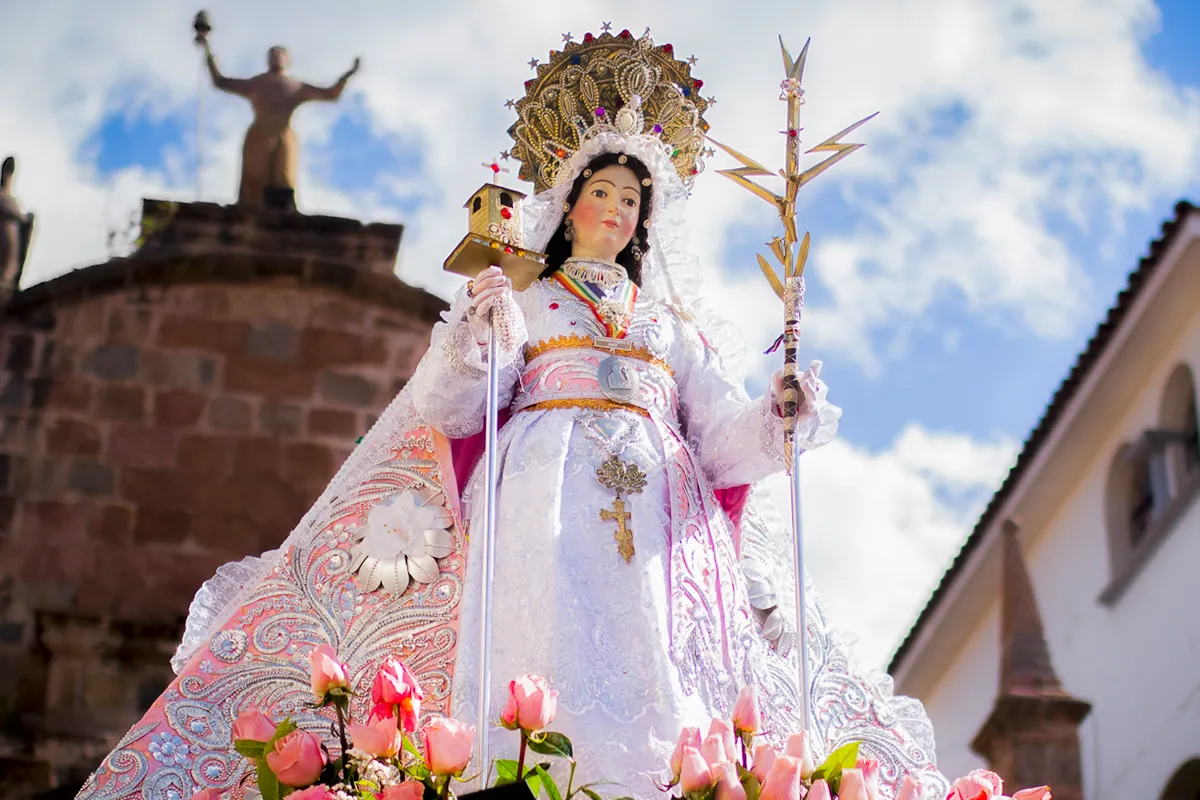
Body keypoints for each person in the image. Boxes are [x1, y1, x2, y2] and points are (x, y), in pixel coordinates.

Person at [77, 29, 949, 800]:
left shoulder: (668, 326)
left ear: (645, 221)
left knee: (659, 648)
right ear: (568, 203)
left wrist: (782, 412)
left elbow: (723, 439)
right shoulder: (525, 302)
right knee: (547, 631)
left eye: (631, 200)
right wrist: (476, 328)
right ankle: (527, 765)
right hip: (540, 493)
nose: (615, 209)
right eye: (602, 192)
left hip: (661, 508)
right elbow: (452, 405)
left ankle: (673, 774)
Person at [202, 41, 360, 208]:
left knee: (283, 180)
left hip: (284, 134)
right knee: (253, 181)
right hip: (259, 136)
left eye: (280, 55)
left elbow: (331, 94)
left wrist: (347, 75)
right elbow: (220, 81)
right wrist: (207, 50)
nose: (276, 58)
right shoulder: (257, 84)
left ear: (287, 60)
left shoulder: (296, 87)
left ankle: (283, 213)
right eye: (272, 55)